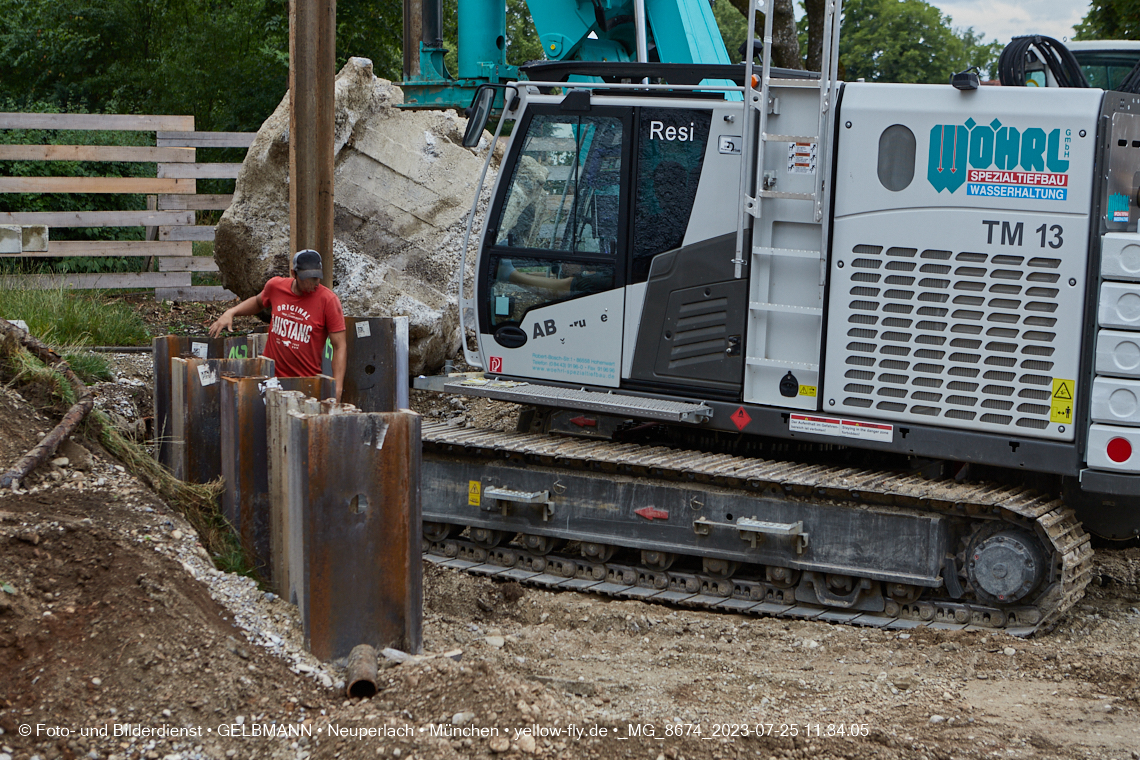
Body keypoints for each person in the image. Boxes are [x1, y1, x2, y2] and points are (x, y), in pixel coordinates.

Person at [209, 249, 347, 401]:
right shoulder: (276, 287)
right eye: (308, 278)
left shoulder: (328, 301)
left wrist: (337, 388)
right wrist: (232, 312)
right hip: (270, 378)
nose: (315, 283)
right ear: (294, 274)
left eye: (317, 277)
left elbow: (339, 346)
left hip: (305, 382)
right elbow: (258, 302)